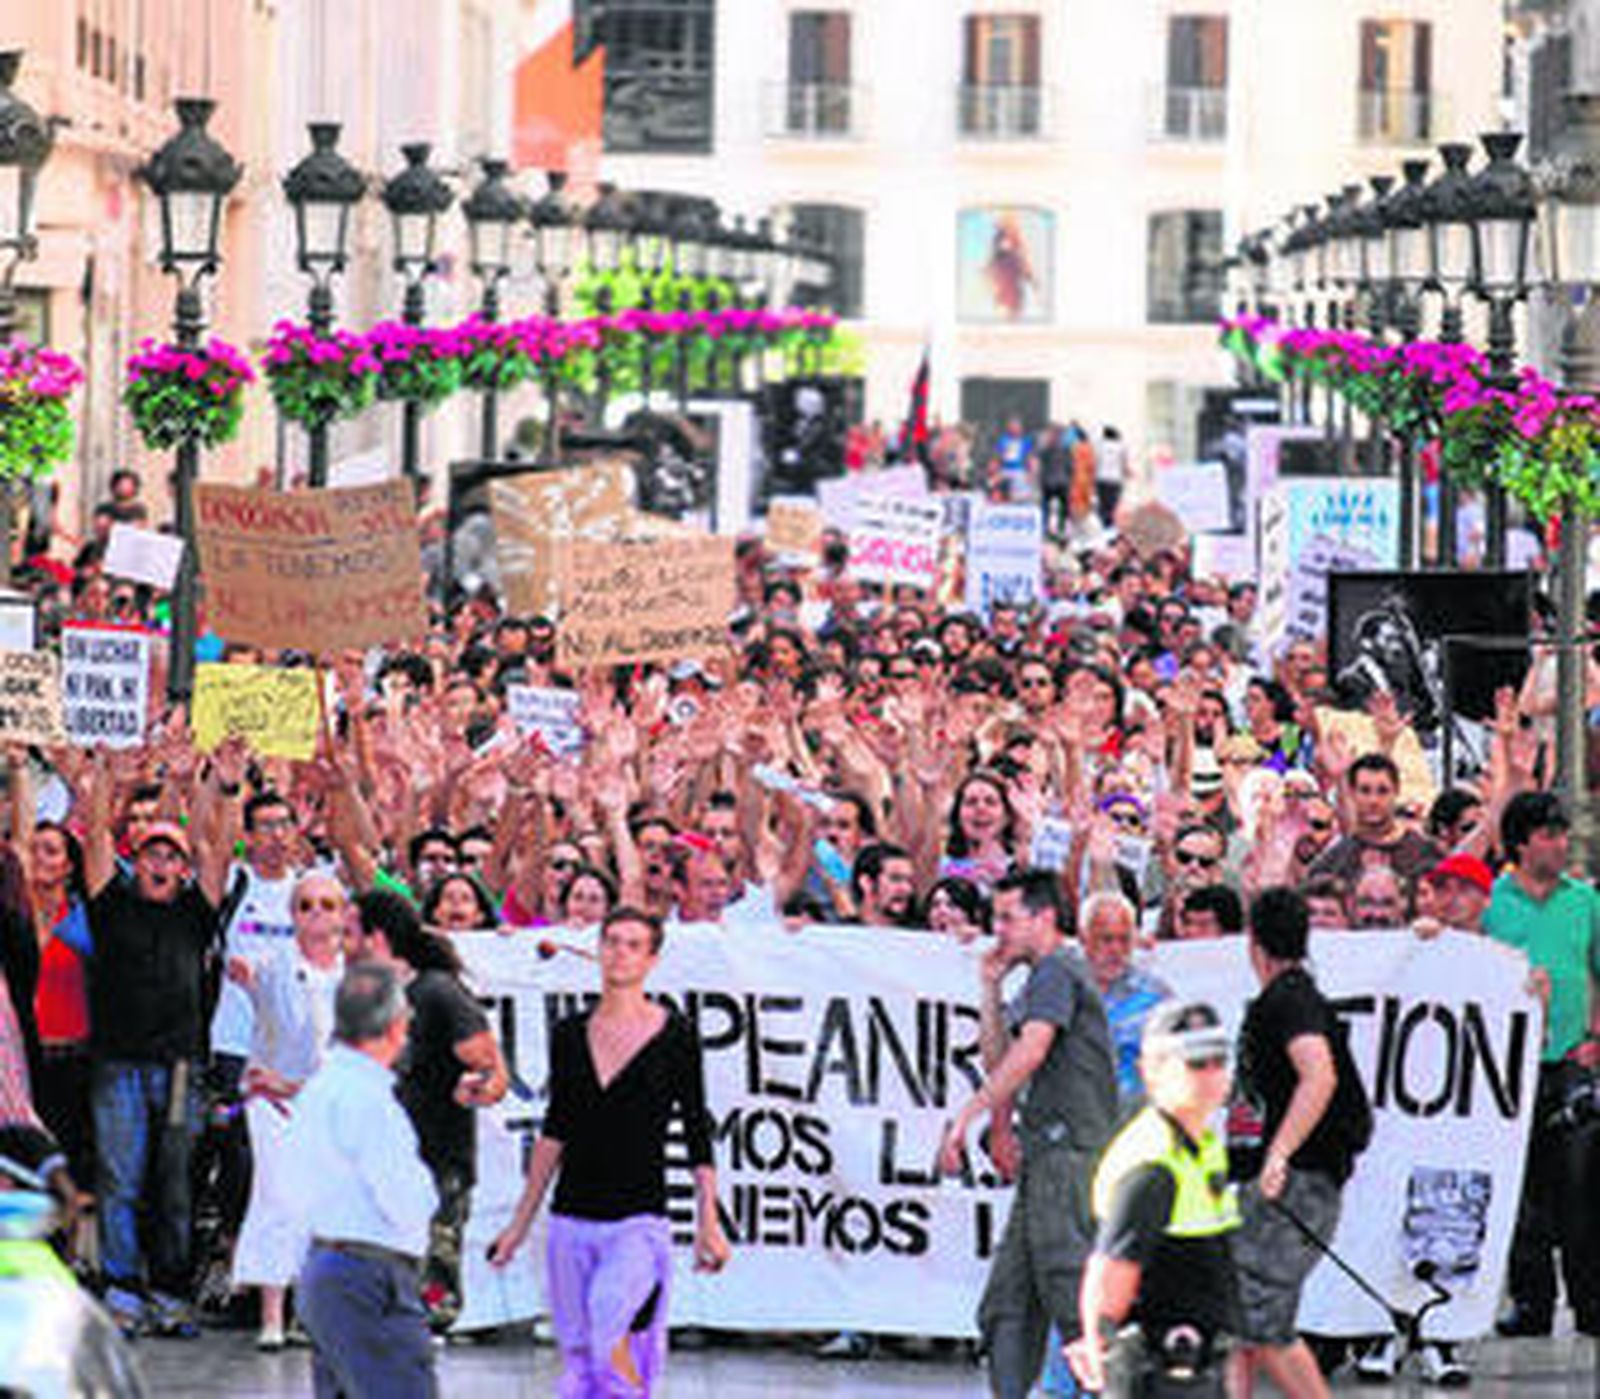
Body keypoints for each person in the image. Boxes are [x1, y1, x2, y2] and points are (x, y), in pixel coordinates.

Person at [489, 907, 731, 1395]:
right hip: (571, 1218)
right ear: (597, 949)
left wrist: (710, 1220)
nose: (619, 952)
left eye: (633, 944)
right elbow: (556, 1129)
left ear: (652, 959)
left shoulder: (676, 1034)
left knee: (609, 1327)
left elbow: (696, 1131)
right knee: (579, 1358)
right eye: (612, 941)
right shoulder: (570, 1034)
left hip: (638, 1219)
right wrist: (519, 1224)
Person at [939, 870, 1119, 1399]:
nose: (998, 931)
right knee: (1008, 1306)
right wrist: (990, 988)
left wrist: (969, 1113)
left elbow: (1034, 1050)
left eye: (1008, 919)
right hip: (1047, 1157)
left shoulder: (1057, 970)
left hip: (1070, 1157)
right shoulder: (1042, 976)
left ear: (1044, 918)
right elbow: (1002, 1058)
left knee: (1072, 1302)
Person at [349, 890, 508, 1334]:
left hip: (434, 1163)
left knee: (427, 1301)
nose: (342, 941)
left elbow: (492, 1070)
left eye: (350, 931)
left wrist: (477, 1086)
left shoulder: (437, 992)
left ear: (376, 939)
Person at [1228, 888, 1362, 1399]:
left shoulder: (1289, 1000)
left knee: (1259, 1318)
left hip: (1299, 1181)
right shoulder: (1292, 995)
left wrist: (1279, 1152)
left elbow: (1319, 1076)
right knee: (1240, 1317)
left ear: (1254, 945)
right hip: (1286, 1180)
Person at [1069, 1001, 1240, 1398]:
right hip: (1156, 1369)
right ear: (1154, 1071)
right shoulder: (1152, 1163)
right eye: (1195, 1064)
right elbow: (1110, 1273)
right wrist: (1102, 1351)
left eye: (1218, 1061)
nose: (1211, 1075)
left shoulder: (1202, 1147)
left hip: (1199, 1361)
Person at [288, 964, 439, 1399]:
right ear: (396, 1027)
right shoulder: (369, 1101)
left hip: (326, 1268)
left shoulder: (321, 1088)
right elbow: (403, 1196)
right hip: (369, 1276)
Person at [1483, 791, 1600, 1340]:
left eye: (1561, 833)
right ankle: (1530, 1301)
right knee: (1523, 1189)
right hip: (1510, 1062)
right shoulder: (1493, 902)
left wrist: (1596, 1037)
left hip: (1572, 1059)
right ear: (1521, 843)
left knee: (1583, 1183)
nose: (1559, 843)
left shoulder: (1586, 901)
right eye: (1548, 834)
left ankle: (1591, 1300)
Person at [226, 872, 346, 1351]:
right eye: (305, 905)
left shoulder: (359, 973)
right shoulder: (271, 966)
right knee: (276, 1197)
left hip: (332, 1104)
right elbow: (264, 1015)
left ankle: (316, 1312)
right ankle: (272, 1315)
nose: (316, 914)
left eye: (326, 905)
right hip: (276, 1102)